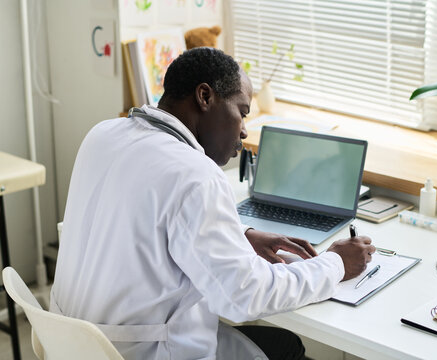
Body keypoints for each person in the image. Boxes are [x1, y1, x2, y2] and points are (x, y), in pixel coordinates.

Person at [50, 47, 375, 360]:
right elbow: (244, 297)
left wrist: (238, 234)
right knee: (286, 346)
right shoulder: (195, 173)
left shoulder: (104, 133)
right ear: (205, 97)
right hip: (143, 351)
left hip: (76, 345)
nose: (244, 130)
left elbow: (141, 219)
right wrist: (335, 264)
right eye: (242, 112)